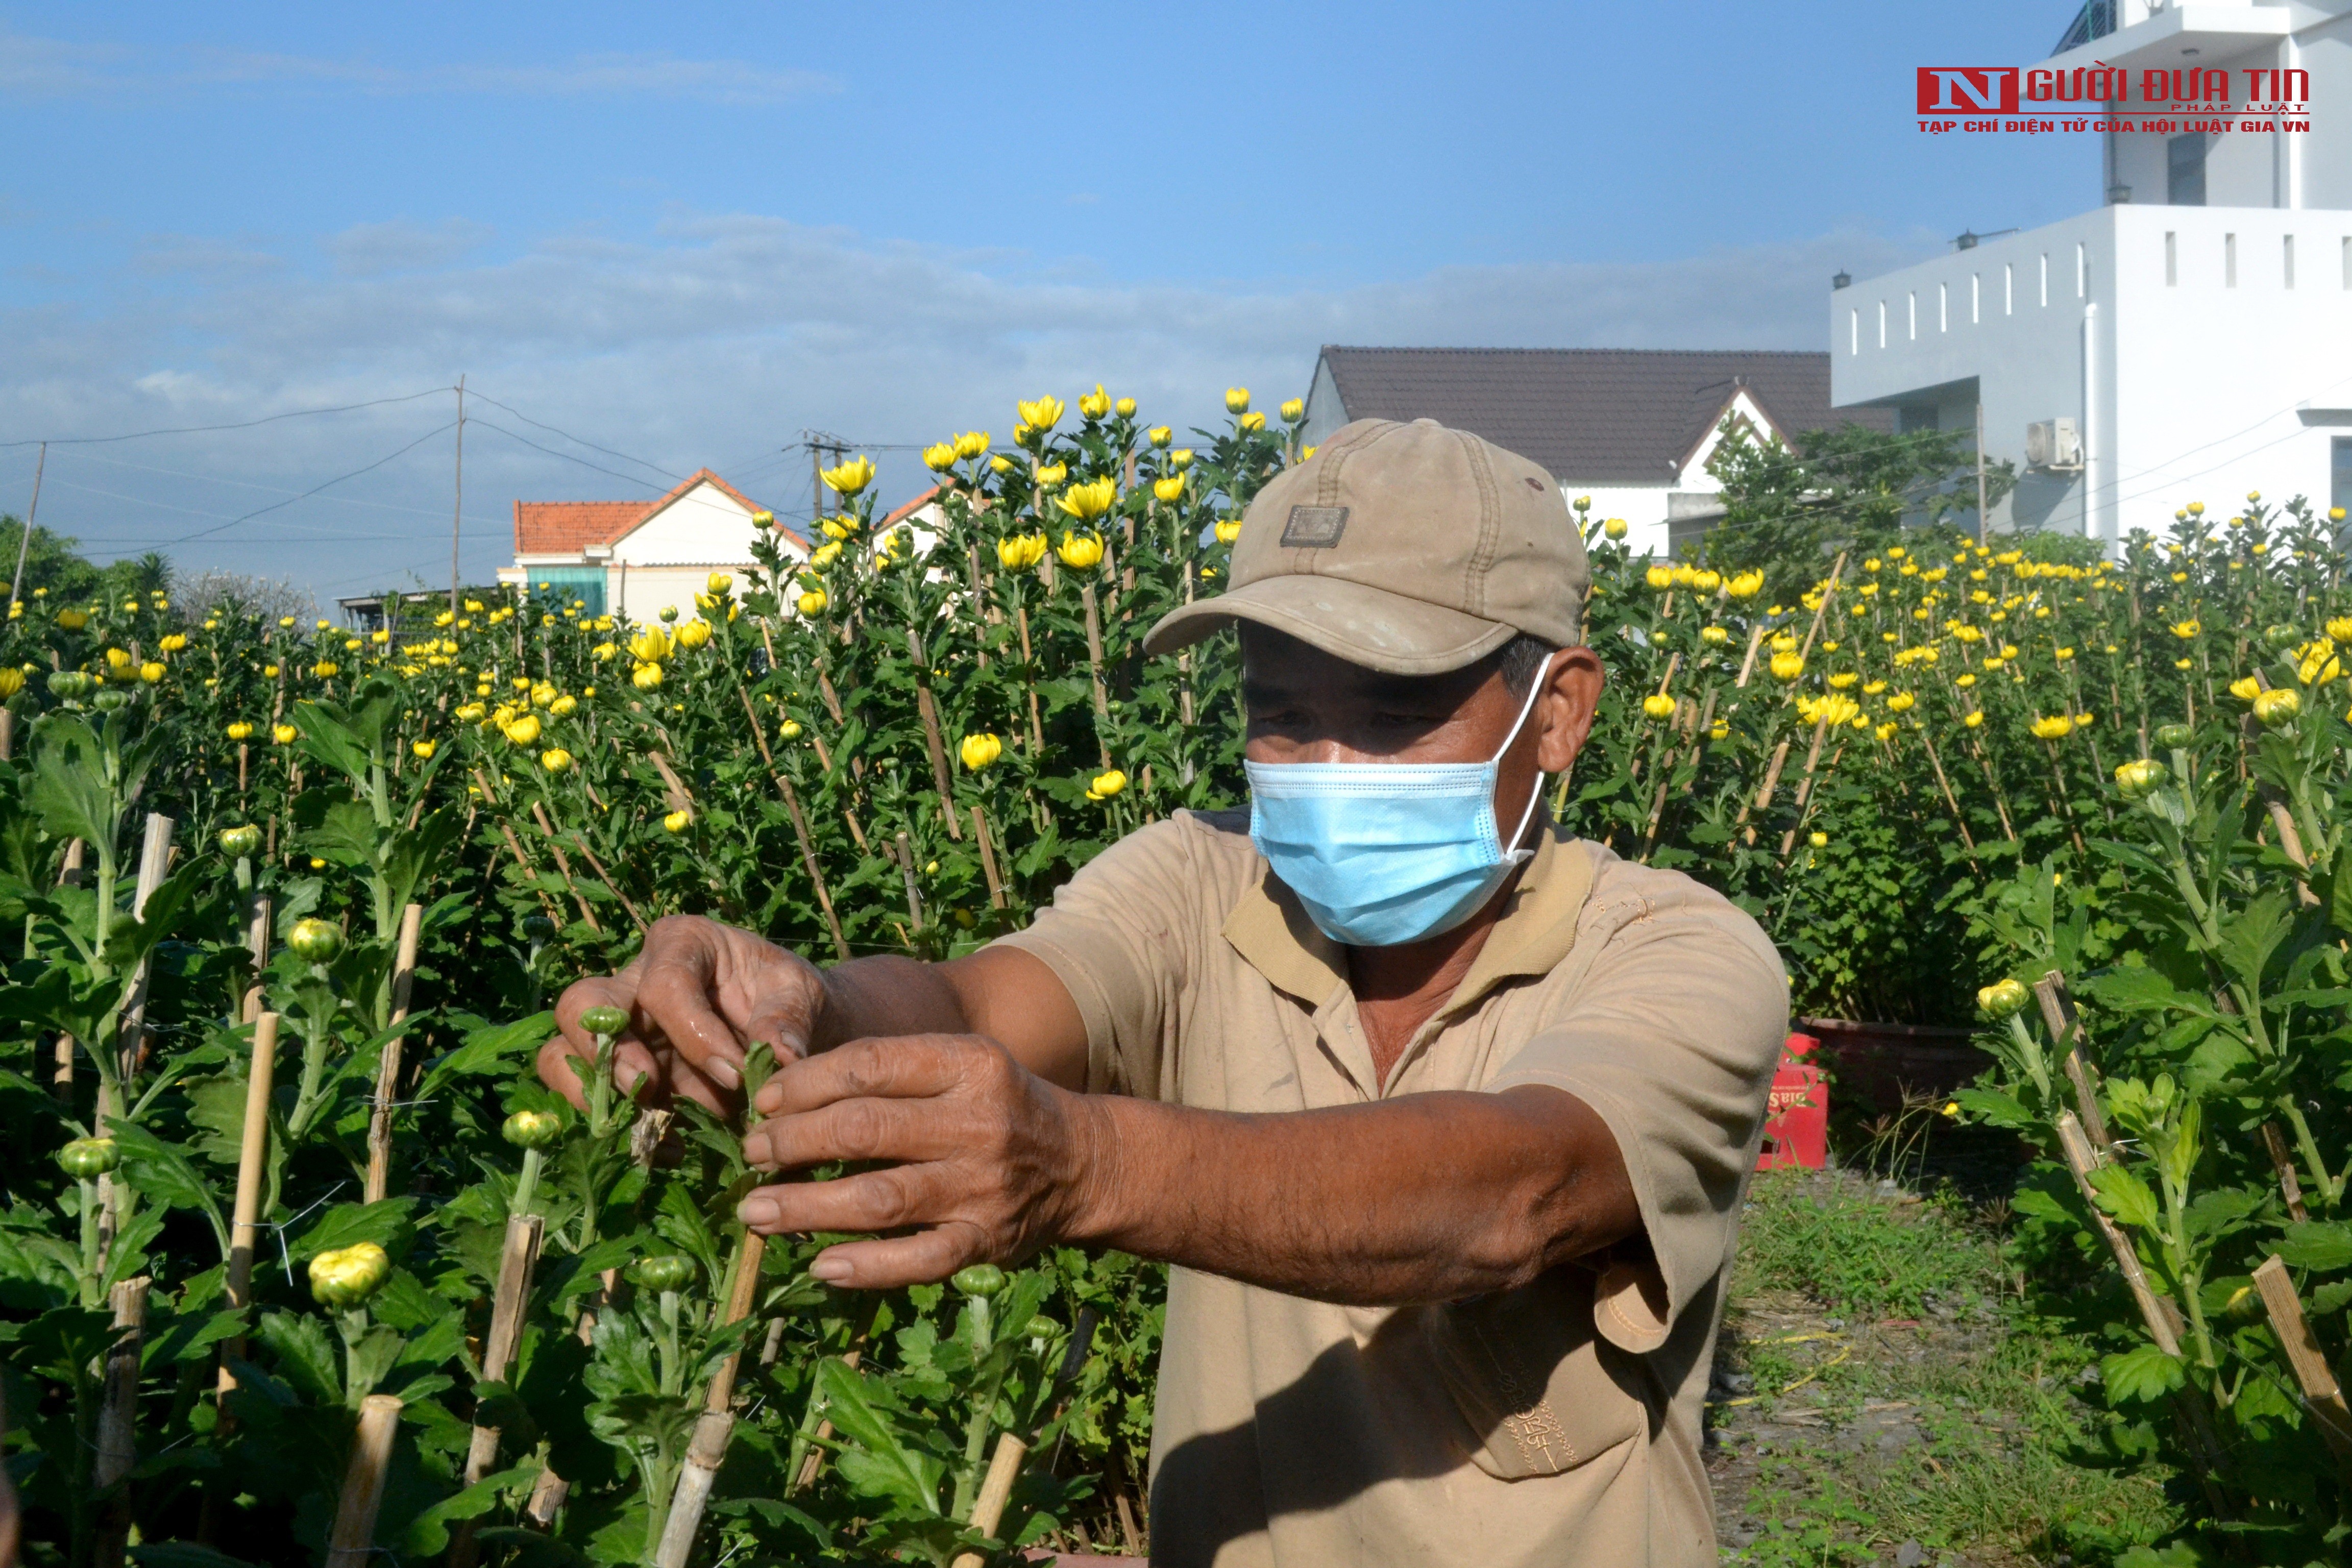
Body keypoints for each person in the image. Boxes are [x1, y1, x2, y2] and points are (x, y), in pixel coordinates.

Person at [541, 417, 1787, 1567]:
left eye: (1397, 712)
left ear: (1559, 712)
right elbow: (982, 1006)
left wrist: (1091, 1168)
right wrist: (792, 1010)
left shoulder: (1675, 949)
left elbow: (1518, 1191)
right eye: (1282, 717)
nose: (1330, 768)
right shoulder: (1202, 880)